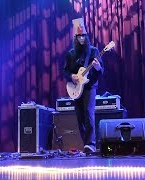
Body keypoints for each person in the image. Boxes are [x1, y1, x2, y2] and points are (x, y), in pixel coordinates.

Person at [63, 18, 104, 153]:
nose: (81, 39)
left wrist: (97, 68)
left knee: (88, 113)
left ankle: (91, 144)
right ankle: (86, 144)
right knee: (79, 116)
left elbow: (101, 71)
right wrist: (72, 76)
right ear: (75, 37)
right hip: (76, 88)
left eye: (83, 36)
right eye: (79, 36)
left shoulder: (93, 52)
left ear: (86, 37)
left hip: (90, 86)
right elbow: (65, 71)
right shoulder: (71, 54)